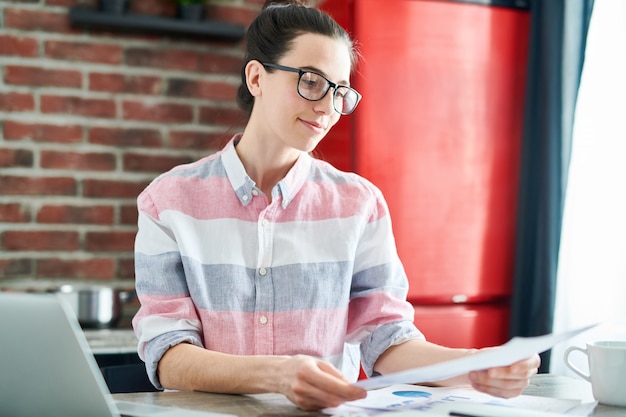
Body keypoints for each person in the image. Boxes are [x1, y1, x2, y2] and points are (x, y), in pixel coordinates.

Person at [132, 0, 540, 411]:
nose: (328, 108)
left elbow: (386, 341)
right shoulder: (168, 201)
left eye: (340, 91)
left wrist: (477, 364)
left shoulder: (358, 204)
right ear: (257, 77)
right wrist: (277, 374)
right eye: (311, 82)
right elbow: (168, 355)